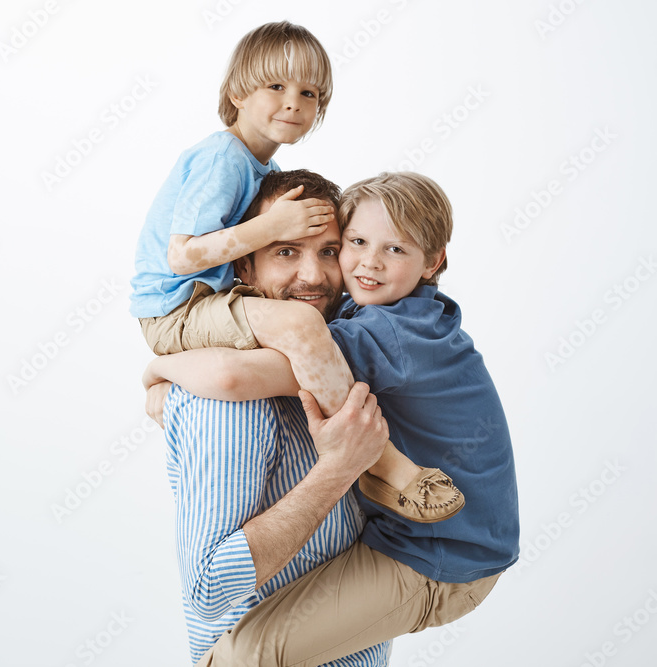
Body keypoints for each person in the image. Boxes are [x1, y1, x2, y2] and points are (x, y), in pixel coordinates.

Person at [152, 172, 521, 666]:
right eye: (357, 243)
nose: (368, 262)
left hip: (444, 559)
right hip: (416, 540)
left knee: (247, 654)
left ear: (434, 261)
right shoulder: (387, 310)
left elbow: (233, 375)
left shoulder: (388, 332)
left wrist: (157, 369)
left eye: (396, 249)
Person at [131, 21, 460, 521]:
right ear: (238, 92)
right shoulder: (224, 157)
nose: (294, 103)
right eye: (277, 87)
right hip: (178, 308)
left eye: (309, 93)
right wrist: (272, 227)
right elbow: (182, 257)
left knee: (305, 331)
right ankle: (380, 459)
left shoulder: (259, 170)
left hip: (202, 305)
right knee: (302, 324)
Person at [146, 170, 393, 665]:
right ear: (244, 267)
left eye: (328, 251)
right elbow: (210, 586)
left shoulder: (344, 355)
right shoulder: (226, 403)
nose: (314, 276)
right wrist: (337, 470)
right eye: (285, 251)